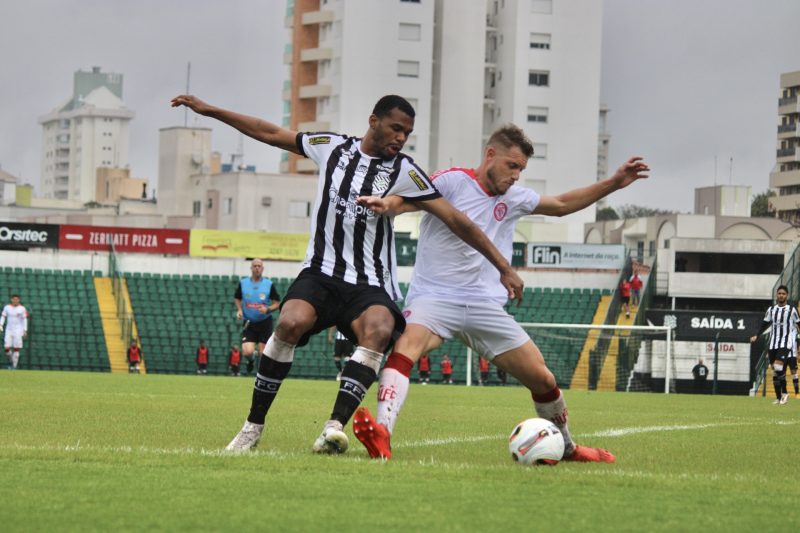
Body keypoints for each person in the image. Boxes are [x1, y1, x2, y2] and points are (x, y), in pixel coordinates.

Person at [171, 94, 524, 454]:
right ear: (374, 121)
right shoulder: (332, 147)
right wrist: (212, 110)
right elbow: (270, 132)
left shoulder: (405, 171)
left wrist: (503, 267)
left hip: (370, 283)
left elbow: (457, 220)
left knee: (380, 329)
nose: (401, 138)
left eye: (408, 133)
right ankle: (252, 426)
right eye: (396, 128)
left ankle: (332, 428)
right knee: (290, 322)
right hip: (321, 273)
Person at [351, 124, 649, 460]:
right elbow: (405, 200)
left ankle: (567, 447)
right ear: (490, 154)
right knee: (405, 348)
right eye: (512, 165)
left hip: (484, 306)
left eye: (521, 169)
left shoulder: (516, 198)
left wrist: (613, 182)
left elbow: (563, 204)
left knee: (543, 378)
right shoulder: (451, 180)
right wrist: (386, 203)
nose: (517, 175)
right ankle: (382, 433)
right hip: (435, 298)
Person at [750, 285, 800, 404]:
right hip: (773, 343)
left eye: (783, 294)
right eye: (779, 293)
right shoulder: (771, 310)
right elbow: (764, 323)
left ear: (787, 296)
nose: (781, 295)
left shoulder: (792, 309)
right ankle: (778, 397)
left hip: (785, 342)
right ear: (777, 295)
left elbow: (799, 322)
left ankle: (786, 393)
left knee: (778, 367)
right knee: (775, 371)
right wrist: (757, 335)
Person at [235, 258, 281, 374]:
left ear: (262, 268)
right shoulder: (243, 283)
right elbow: (237, 298)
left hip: (264, 322)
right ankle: (251, 360)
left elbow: (277, 303)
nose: (257, 268)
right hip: (249, 322)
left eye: (259, 266)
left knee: (263, 352)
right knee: (247, 352)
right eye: (254, 266)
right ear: (251, 268)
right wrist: (240, 310)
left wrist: (267, 309)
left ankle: (261, 375)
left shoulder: (269, 284)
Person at [1, 294, 28, 370]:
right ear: (11, 299)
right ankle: (11, 361)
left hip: (18, 330)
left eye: (17, 299)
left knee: (16, 348)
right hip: (9, 330)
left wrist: (25, 330)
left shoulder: (22, 308)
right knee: (6, 348)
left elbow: (24, 319)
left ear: (19, 300)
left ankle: (14, 367)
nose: (15, 300)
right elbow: (3, 317)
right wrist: (0, 325)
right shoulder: (7, 307)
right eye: (14, 299)